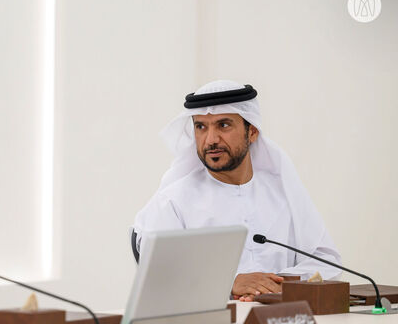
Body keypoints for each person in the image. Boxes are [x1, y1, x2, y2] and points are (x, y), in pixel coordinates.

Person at [133, 80, 341, 301]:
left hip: (282, 321)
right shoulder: (173, 202)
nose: (210, 140)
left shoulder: (283, 194)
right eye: (200, 127)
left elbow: (327, 262)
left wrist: (274, 285)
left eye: (223, 125)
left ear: (251, 132)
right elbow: (161, 278)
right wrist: (230, 284)